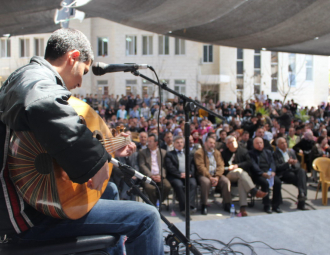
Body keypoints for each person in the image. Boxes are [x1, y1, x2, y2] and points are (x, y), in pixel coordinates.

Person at [0, 28, 163, 255]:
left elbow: (50, 145)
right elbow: (42, 105)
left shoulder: (25, 76)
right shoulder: (37, 82)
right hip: (27, 219)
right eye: (83, 72)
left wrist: (109, 149)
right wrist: (95, 163)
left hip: (31, 207)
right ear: (73, 57)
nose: (79, 83)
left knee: (111, 190)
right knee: (148, 217)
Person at [221, 136, 267, 216]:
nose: (233, 143)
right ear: (227, 145)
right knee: (240, 172)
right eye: (230, 142)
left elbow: (249, 163)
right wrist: (229, 168)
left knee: (241, 180)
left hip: (242, 176)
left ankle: (243, 208)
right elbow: (221, 167)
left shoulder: (243, 151)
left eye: (234, 141)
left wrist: (238, 165)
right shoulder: (224, 153)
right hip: (229, 175)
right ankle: (253, 190)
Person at [194, 136, 232, 215]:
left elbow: (221, 165)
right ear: (205, 143)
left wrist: (217, 177)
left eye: (214, 143)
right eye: (210, 143)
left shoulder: (217, 153)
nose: (212, 145)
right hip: (204, 175)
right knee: (206, 182)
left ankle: (227, 204)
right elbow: (201, 167)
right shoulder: (199, 152)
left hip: (216, 174)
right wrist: (210, 177)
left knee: (225, 181)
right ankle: (204, 205)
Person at [164, 136, 197, 216]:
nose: (180, 144)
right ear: (174, 144)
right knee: (179, 185)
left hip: (188, 175)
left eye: (181, 142)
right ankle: (184, 208)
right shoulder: (169, 154)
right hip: (175, 176)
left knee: (193, 183)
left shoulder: (188, 153)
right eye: (177, 142)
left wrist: (189, 174)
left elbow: (192, 165)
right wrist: (179, 174)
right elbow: (170, 167)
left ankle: (189, 206)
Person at [249, 137, 283, 214]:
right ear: (254, 145)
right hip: (258, 174)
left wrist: (273, 171)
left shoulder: (268, 152)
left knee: (278, 182)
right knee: (265, 183)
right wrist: (261, 173)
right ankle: (266, 205)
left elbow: (272, 163)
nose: (259, 145)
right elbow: (253, 165)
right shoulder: (251, 153)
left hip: (269, 173)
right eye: (257, 143)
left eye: (261, 143)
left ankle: (276, 205)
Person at [273, 138, 308, 210]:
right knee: (302, 180)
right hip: (284, 173)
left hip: (293, 170)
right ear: (278, 145)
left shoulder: (291, 152)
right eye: (282, 143)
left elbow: (298, 164)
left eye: (285, 142)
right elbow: (277, 167)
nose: (284, 144)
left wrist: (294, 164)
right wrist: (287, 163)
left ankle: (301, 194)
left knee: (302, 171)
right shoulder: (275, 154)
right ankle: (302, 202)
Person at [138, 134, 171, 206]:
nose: (148, 143)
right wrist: (151, 175)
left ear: (156, 142)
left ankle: (159, 201)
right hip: (148, 176)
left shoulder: (163, 152)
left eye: (150, 141)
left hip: (160, 176)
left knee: (167, 186)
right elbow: (142, 165)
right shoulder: (142, 152)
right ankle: (154, 204)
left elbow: (164, 166)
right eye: (148, 141)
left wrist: (160, 175)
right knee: (150, 188)